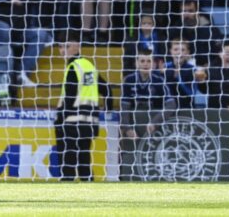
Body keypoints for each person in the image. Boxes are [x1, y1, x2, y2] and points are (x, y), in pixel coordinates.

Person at [54, 32, 111, 182]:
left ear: (77, 46)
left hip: (73, 120)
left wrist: (60, 118)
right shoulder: (88, 66)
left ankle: (67, 185)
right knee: (84, 157)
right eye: (60, 47)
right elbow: (106, 89)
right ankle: (88, 186)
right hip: (90, 121)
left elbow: (70, 96)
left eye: (67, 46)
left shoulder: (73, 67)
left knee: (68, 157)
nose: (62, 50)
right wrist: (108, 109)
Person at [120, 51, 174, 142]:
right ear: (136, 63)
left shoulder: (159, 80)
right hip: (134, 125)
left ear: (153, 64)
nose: (146, 64)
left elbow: (171, 105)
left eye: (149, 61)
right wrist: (127, 128)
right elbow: (124, 107)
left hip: (156, 125)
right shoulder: (129, 80)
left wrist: (155, 122)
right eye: (142, 61)